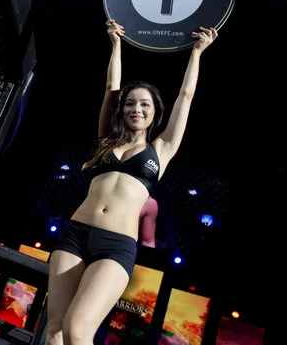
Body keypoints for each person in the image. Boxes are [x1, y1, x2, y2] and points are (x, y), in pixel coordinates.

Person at [46, 19, 217, 345]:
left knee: (76, 330)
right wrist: (115, 43)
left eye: (144, 103)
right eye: (130, 103)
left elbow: (187, 94)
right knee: (54, 329)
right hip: (75, 235)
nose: (136, 108)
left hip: (116, 246)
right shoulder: (105, 141)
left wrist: (197, 52)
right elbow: (112, 85)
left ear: (155, 112)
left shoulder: (161, 149)